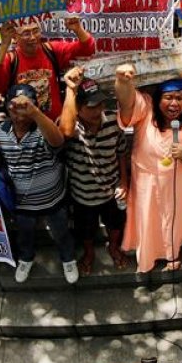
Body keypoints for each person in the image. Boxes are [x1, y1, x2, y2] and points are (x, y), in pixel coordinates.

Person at [115, 66, 182, 272]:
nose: (174, 103)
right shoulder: (147, 111)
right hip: (146, 184)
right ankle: (148, 259)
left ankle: (172, 253)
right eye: (169, 97)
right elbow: (127, 103)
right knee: (148, 221)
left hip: (177, 186)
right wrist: (123, 81)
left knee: (174, 220)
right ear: (158, 99)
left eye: (180, 98)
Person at [0, 84, 78, 284]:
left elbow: (58, 141)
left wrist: (34, 113)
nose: (20, 111)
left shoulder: (44, 128)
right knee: (25, 235)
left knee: (61, 233)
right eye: (14, 106)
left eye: (27, 105)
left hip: (53, 200)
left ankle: (68, 258)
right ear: (7, 107)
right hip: (22, 203)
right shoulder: (1, 131)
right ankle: (26, 257)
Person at [59, 69, 130, 274]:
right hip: (82, 196)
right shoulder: (72, 127)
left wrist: (124, 183)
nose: (98, 109)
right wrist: (70, 90)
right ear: (78, 109)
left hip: (111, 191)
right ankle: (89, 254)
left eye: (100, 103)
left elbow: (121, 154)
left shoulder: (113, 124)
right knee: (86, 232)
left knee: (115, 225)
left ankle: (114, 247)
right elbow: (65, 131)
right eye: (91, 106)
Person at [0, 16, 95, 120]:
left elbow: (87, 50)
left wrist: (78, 29)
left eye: (36, 31)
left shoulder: (51, 50)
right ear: (15, 37)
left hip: (54, 128)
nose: (33, 37)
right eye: (26, 33)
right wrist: (4, 44)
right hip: (26, 130)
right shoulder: (11, 59)